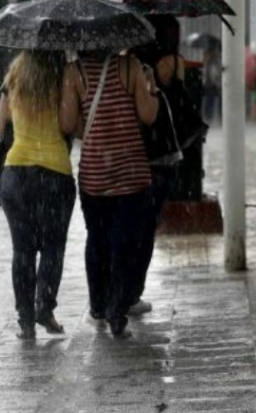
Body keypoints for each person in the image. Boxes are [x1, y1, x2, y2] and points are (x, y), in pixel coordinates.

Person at [61, 48, 158, 339]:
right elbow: (149, 115)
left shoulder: (73, 73)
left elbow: (66, 124)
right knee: (125, 243)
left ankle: (99, 305)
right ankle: (118, 310)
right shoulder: (130, 67)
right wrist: (149, 87)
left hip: (94, 174)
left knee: (97, 239)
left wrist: (91, 131)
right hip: (131, 171)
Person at [0, 50, 76, 340]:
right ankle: (45, 307)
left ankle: (26, 321)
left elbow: (0, 123)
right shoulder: (64, 76)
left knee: (22, 250)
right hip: (54, 173)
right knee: (53, 248)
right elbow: (69, 125)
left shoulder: (14, 75)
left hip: (16, 174)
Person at [129, 15, 187, 316]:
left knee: (128, 226)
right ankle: (132, 291)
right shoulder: (170, 63)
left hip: (134, 153)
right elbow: (179, 106)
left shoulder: (134, 63)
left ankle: (120, 289)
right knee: (146, 227)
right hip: (162, 155)